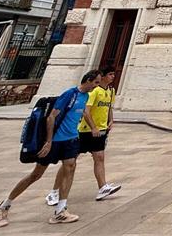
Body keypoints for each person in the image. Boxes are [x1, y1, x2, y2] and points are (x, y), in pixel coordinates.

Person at [0, 70, 101, 227]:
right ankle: (3, 205)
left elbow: (84, 112)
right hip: (55, 140)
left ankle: (61, 210)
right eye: (96, 82)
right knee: (36, 174)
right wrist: (48, 141)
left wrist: (93, 127)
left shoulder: (86, 97)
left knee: (70, 168)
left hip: (71, 140)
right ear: (89, 80)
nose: (96, 86)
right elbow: (51, 117)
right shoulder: (70, 94)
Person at [47, 66, 121, 204]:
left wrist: (111, 120)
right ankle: (54, 191)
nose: (113, 76)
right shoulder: (93, 92)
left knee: (99, 157)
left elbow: (109, 107)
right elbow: (86, 111)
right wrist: (93, 127)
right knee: (70, 162)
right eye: (110, 74)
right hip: (85, 131)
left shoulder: (110, 91)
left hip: (100, 130)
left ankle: (102, 187)